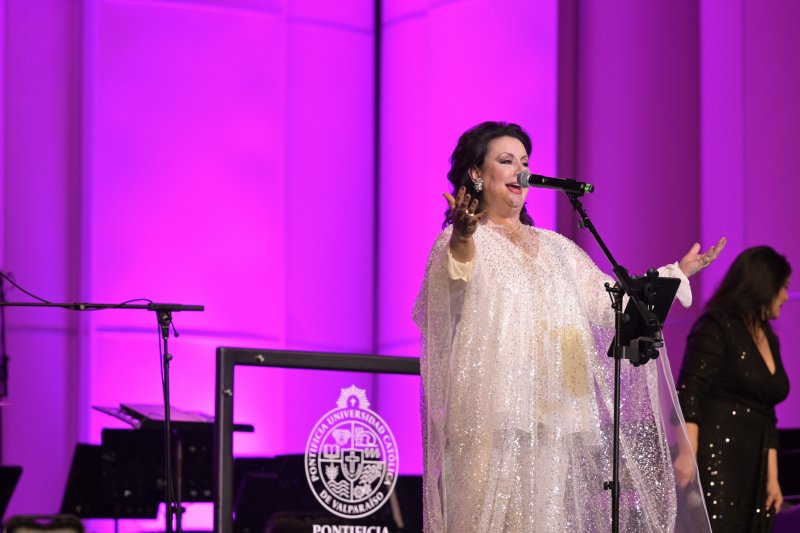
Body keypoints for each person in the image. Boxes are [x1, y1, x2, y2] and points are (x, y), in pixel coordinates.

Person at [413, 121, 726, 532]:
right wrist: (463, 237)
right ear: (476, 173)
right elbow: (450, 290)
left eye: (525, 162)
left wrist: (676, 273)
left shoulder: (557, 248)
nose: (520, 171)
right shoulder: (461, 240)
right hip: (492, 420)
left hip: (553, 420)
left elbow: (612, 305)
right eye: (506, 161)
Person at [675, 246, 791, 532]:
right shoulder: (717, 325)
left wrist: (773, 479)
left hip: (754, 466)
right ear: (764, 286)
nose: (786, 296)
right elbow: (689, 391)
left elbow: (767, 413)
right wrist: (687, 454)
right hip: (717, 459)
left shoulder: (769, 338)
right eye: (783, 287)